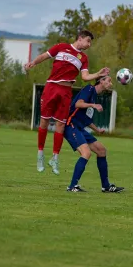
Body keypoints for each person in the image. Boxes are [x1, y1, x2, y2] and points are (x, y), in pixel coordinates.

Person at [24, 29, 109, 175]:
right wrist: (33, 63)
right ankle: (40, 155)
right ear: (80, 38)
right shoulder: (61, 47)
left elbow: (86, 77)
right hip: (51, 87)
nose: (89, 44)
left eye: (90, 42)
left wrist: (98, 74)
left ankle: (55, 158)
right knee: (44, 121)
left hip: (65, 92)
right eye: (88, 41)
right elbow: (45, 56)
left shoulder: (83, 58)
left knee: (60, 125)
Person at [63, 75, 124, 193]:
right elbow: (78, 104)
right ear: (101, 81)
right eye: (109, 80)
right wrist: (93, 105)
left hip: (79, 127)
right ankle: (72, 186)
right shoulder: (89, 89)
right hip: (71, 125)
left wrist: (97, 130)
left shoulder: (94, 96)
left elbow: (86, 120)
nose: (110, 83)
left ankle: (106, 186)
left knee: (101, 150)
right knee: (86, 153)